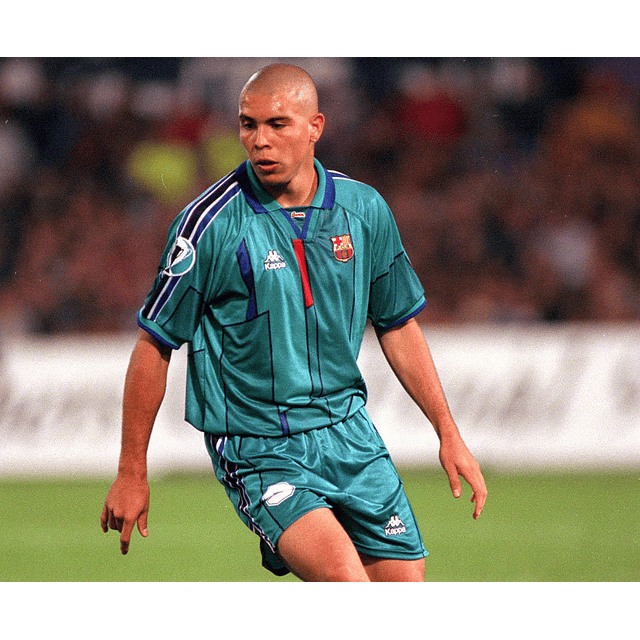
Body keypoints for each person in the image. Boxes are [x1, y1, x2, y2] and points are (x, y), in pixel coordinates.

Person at [100, 63, 487, 582]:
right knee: (344, 579)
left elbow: (397, 324)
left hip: (350, 435)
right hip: (260, 445)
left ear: (314, 127)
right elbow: (155, 344)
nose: (259, 140)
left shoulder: (363, 209)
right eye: (248, 124)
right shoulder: (208, 225)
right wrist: (132, 471)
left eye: (277, 124)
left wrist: (448, 432)